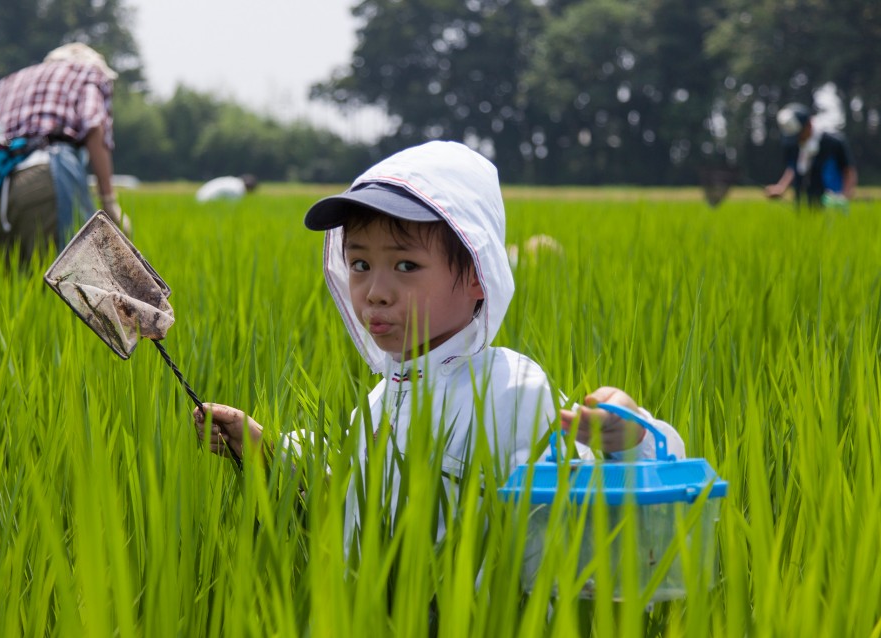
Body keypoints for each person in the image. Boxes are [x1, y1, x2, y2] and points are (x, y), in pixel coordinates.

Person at [193, 141, 685, 547]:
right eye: (360, 265)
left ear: (477, 274)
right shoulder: (382, 398)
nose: (376, 291)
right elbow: (353, 504)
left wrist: (632, 441)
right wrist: (266, 451)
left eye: (406, 266)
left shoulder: (511, 388)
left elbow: (603, 504)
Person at [0, 42, 130, 264]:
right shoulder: (88, 73)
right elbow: (94, 126)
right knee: (67, 277)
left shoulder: (4, 83)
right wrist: (108, 200)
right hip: (45, 176)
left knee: (8, 286)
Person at [765, 103, 858, 208]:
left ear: (808, 125)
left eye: (799, 135)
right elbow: (793, 168)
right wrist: (781, 187)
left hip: (832, 204)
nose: (798, 139)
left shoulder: (833, 142)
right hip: (802, 205)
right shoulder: (794, 143)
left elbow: (849, 171)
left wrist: (844, 197)